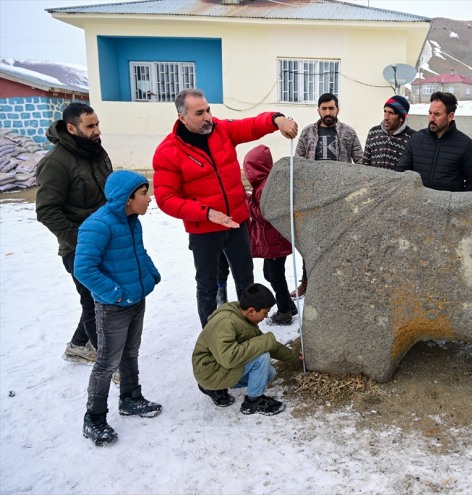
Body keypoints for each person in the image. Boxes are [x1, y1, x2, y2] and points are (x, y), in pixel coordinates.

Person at [152, 88, 298, 328]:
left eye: (208, 110)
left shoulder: (221, 130)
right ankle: (213, 341)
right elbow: (166, 199)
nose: (208, 116)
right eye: (200, 113)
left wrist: (277, 119)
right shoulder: (168, 152)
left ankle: (248, 334)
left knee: (246, 282)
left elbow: (252, 125)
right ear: (182, 117)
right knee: (208, 286)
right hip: (204, 230)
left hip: (238, 223)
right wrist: (206, 213)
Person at [74, 170, 162, 446]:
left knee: (131, 352)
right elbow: (84, 269)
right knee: (106, 363)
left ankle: (131, 398)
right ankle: (95, 418)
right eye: (143, 194)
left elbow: (140, 253)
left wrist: (151, 276)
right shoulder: (98, 225)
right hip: (114, 305)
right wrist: (116, 294)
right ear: (127, 199)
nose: (149, 199)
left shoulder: (132, 221)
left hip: (136, 299)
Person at [35, 102, 113, 364]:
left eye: (97, 124)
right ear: (71, 128)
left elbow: (108, 191)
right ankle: (107, 361)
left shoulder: (96, 152)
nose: (97, 130)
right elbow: (47, 211)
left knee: (99, 297)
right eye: (90, 126)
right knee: (94, 302)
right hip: (78, 248)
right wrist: (82, 241)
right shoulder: (55, 163)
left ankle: (79, 344)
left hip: (107, 240)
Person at [192, 283, 303, 415]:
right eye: (265, 312)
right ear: (251, 311)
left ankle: (218, 388)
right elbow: (229, 358)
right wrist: (263, 342)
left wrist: (294, 356)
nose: (266, 316)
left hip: (218, 367)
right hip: (209, 371)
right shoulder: (225, 322)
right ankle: (253, 401)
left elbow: (269, 345)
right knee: (262, 357)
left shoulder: (242, 316)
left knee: (269, 373)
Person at [293, 93, 363, 297]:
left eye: (331, 108)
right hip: (313, 199)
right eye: (324, 109)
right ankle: (307, 281)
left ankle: (337, 283)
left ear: (338, 110)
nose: (328, 112)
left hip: (340, 199)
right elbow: (298, 164)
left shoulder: (348, 133)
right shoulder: (307, 133)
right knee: (310, 242)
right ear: (318, 111)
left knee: (339, 242)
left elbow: (360, 162)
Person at [244, 145, 298, 325]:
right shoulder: (263, 185)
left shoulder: (265, 187)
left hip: (275, 240)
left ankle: (284, 311)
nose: (247, 172)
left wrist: (248, 204)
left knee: (276, 277)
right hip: (274, 240)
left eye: (248, 168)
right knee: (270, 274)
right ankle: (288, 304)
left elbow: (265, 214)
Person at [394, 91, 472, 192]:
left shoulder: (466, 145)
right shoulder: (416, 139)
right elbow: (401, 172)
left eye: (437, 114)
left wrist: (458, 204)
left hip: (449, 206)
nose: (431, 118)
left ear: (450, 116)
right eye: (430, 113)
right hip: (418, 204)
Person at [362, 95, 416, 169]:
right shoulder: (373, 133)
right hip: (373, 180)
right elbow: (365, 165)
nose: (386, 117)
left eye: (391, 113)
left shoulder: (412, 138)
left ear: (401, 118)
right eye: (385, 111)